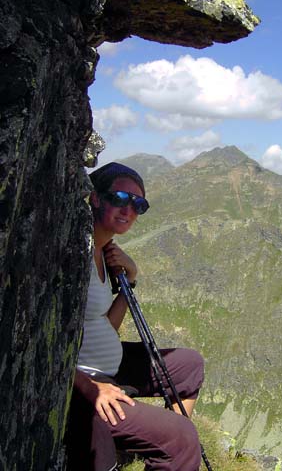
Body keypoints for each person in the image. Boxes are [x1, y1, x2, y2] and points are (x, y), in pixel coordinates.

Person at [66, 162, 204, 471]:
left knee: (190, 365)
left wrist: (131, 276)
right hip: (85, 381)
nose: (129, 209)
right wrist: (91, 386)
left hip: (107, 366)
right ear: (96, 198)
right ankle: (171, 445)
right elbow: (43, 348)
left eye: (138, 204)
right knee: (182, 438)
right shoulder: (73, 252)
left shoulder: (103, 253)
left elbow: (105, 324)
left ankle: (151, 441)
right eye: (120, 198)